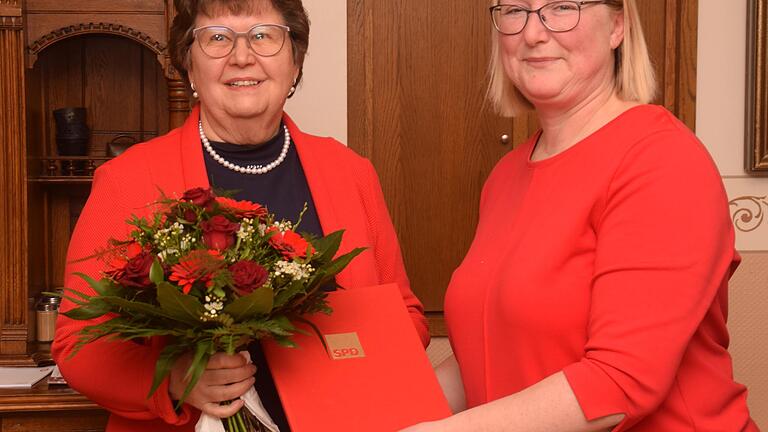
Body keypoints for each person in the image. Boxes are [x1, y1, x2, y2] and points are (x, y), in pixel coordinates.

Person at [51, 0, 429, 431]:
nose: (242, 56)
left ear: (295, 62)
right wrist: (173, 380)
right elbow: (78, 344)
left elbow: (407, 317)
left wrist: (355, 359)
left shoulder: (351, 172)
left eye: (264, 35)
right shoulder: (127, 180)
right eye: (217, 38)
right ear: (189, 67)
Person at [403, 1, 758, 431]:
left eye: (562, 7)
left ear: (617, 27)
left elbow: (618, 383)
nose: (533, 33)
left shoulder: (662, 160)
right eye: (516, 10)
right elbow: (485, 360)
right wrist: (379, 413)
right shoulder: (506, 174)